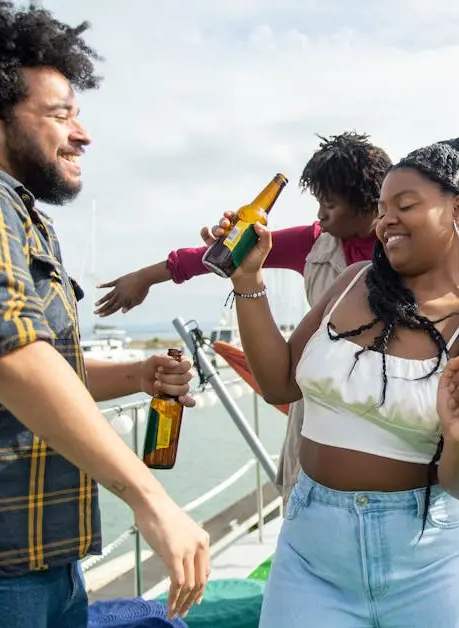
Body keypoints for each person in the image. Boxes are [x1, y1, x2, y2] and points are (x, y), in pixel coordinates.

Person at [228, 137, 459, 626]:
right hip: (310, 551)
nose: (386, 221)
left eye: (406, 205)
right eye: (382, 209)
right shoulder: (351, 282)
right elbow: (278, 384)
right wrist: (246, 280)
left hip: (427, 559)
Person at [0, 2, 210, 625]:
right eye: (61, 115)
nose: (82, 134)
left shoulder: (22, 215)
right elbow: (12, 355)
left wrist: (135, 376)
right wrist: (150, 498)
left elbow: (44, 366)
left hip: (42, 560)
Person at [96, 132, 391, 503]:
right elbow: (219, 255)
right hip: (320, 416)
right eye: (318, 203)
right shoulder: (312, 243)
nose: (320, 215)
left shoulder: (409, 246)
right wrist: (144, 278)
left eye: (329, 205)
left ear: (368, 203)